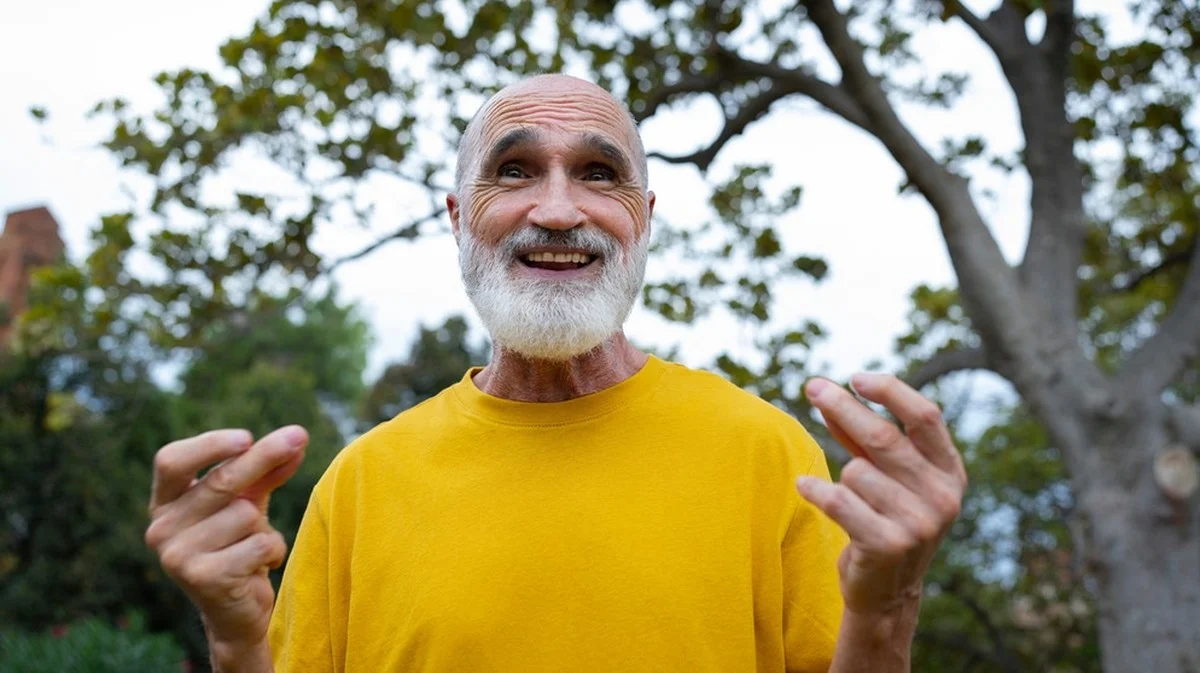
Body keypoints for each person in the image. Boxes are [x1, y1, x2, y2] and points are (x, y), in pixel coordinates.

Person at [144, 74, 966, 673]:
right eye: (514, 170)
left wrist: (889, 604)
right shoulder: (361, 483)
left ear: (645, 218)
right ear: (459, 217)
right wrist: (238, 642)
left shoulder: (768, 454)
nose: (559, 209)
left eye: (600, 174)